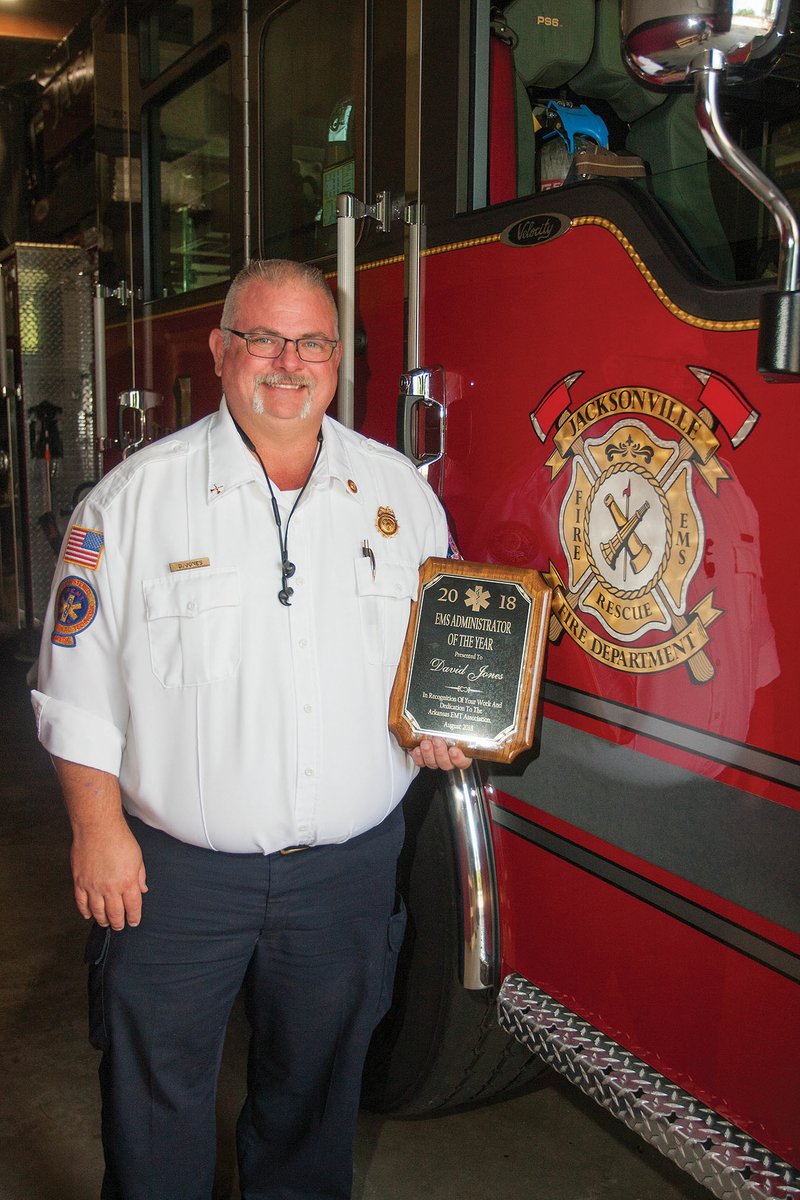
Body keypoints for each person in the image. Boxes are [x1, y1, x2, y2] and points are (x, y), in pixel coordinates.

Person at [32, 258, 470, 1200]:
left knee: (315, 1102)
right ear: (222, 351)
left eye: (312, 341)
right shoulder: (131, 502)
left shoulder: (402, 498)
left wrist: (447, 721)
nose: (288, 361)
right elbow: (74, 689)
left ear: (339, 360)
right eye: (263, 338)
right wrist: (97, 831)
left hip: (347, 873)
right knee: (154, 1104)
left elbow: (438, 656)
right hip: (175, 879)